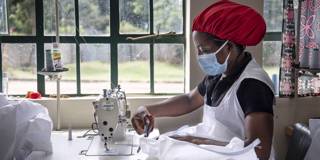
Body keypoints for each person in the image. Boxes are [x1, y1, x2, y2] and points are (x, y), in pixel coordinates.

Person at [131, 0, 275, 160]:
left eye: (205, 50)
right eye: (198, 50)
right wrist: (147, 110)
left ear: (229, 47)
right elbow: (189, 100)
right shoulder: (220, 74)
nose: (200, 56)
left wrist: (195, 142)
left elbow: (259, 152)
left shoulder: (254, 86)